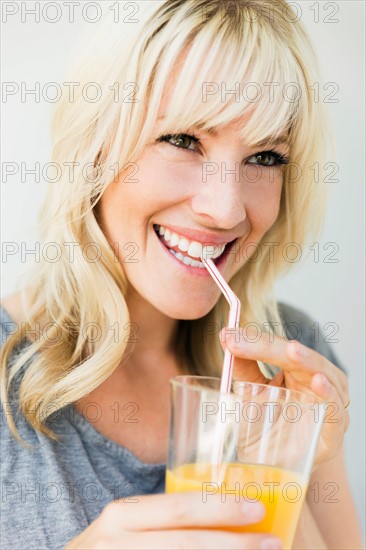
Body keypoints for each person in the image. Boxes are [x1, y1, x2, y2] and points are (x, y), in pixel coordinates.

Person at [1, 1, 363, 548]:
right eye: (183, 141)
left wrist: (292, 463)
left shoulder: (293, 361)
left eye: (265, 157)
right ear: (95, 149)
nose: (225, 209)